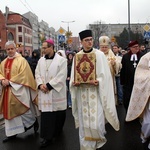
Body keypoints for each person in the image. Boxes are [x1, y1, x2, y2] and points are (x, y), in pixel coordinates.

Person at [70, 30, 119, 150]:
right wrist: (74, 83)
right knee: (84, 123)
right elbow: (73, 76)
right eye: (86, 40)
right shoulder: (77, 56)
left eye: (91, 39)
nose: (89, 42)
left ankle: (98, 143)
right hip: (82, 94)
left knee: (97, 123)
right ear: (81, 42)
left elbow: (106, 76)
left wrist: (98, 81)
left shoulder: (99, 55)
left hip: (96, 93)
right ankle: (86, 146)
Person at [0, 41, 39, 143]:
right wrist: (2, 80)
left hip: (19, 89)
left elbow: (24, 75)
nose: (10, 51)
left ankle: (33, 122)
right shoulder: (3, 62)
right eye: (8, 49)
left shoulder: (21, 60)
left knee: (22, 110)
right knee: (9, 111)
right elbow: (0, 73)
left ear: (15, 48)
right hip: (7, 90)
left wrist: (10, 82)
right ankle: (11, 133)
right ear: (6, 50)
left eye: (12, 48)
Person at [35, 39, 67, 148]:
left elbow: (61, 76)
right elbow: (37, 73)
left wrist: (48, 86)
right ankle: (46, 137)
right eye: (42, 47)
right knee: (46, 116)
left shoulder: (61, 61)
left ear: (51, 47)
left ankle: (56, 134)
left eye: (45, 48)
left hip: (55, 92)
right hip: (44, 93)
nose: (43, 50)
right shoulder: (41, 61)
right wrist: (40, 85)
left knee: (57, 114)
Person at [126, 52, 150, 150]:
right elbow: (140, 76)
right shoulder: (146, 58)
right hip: (148, 96)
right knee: (148, 122)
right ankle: (145, 136)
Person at [120, 40, 143, 112]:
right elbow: (123, 69)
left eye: (137, 46)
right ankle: (128, 113)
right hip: (128, 82)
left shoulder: (142, 56)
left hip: (139, 82)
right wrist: (122, 81)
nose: (137, 48)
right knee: (127, 98)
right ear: (130, 48)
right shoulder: (126, 57)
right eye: (134, 47)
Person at [99, 36, 120, 105]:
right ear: (100, 47)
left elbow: (117, 65)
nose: (104, 49)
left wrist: (114, 64)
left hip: (110, 79)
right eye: (102, 47)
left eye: (106, 47)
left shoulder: (111, 55)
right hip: (100, 80)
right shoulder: (97, 54)